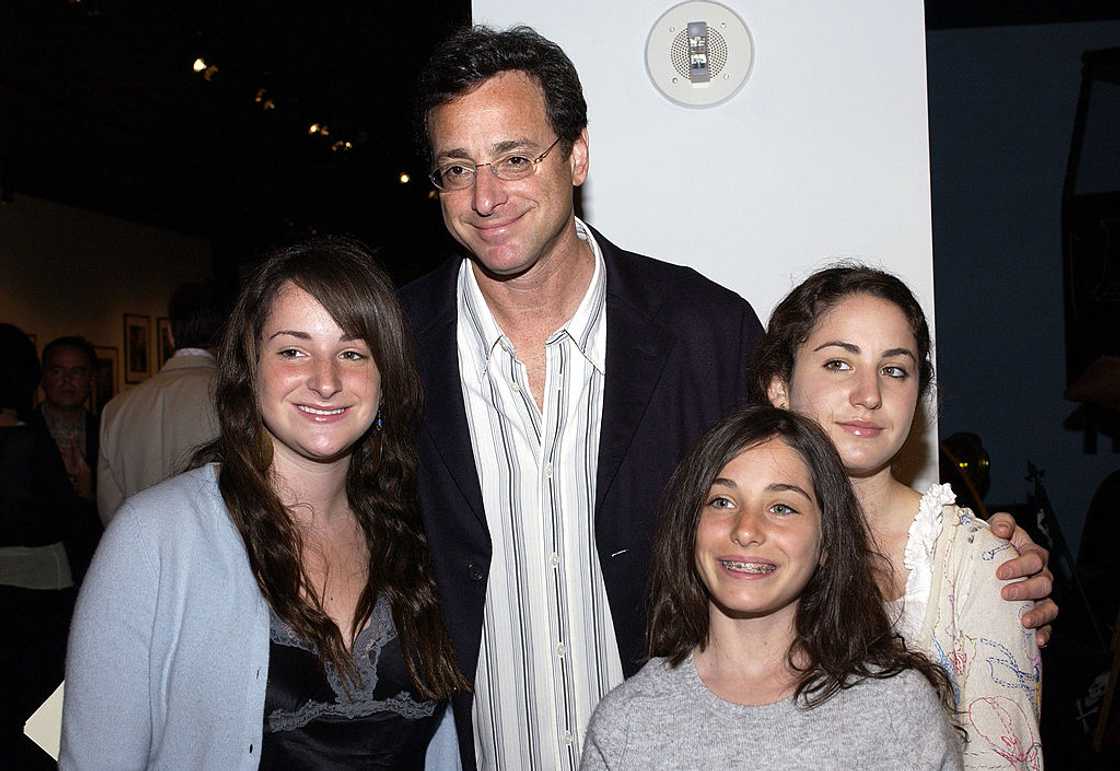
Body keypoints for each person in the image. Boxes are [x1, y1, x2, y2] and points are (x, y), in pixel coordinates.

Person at [404, 24, 1055, 770]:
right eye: (457, 169)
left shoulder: (702, 330)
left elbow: (804, 483)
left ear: (576, 155)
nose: (486, 195)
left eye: (515, 158)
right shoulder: (395, 346)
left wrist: (971, 566)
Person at [62, 237, 468, 769]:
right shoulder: (155, 536)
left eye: (352, 352)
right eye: (293, 350)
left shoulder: (419, 532)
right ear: (250, 367)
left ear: (385, 377)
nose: (326, 381)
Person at [752, 264, 1042, 768]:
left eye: (894, 369)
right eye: (839, 364)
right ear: (779, 386)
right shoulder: (736, 549)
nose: (869, 395)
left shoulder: (975, 565)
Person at [582, 406, 962, 768]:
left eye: (782, 507)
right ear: (689, 528)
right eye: (722, 501)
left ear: (827, 542)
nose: (746, 529)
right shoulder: (627, 724)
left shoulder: (897, 712)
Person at [0, 324, 85, 769]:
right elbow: (62, 518)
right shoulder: (28, 439)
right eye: (54, 371)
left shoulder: (107, 421)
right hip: (42, 590)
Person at [97, 280, 223, 523]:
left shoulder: (116, 409)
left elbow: (111, 513)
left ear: (168, 333)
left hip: (142, 551)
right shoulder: (240, 397)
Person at [34, 336, 99, 502]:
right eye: (57, 371)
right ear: (43, 378)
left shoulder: (107, 433)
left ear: (91, 380)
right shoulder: (22, 431)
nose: (67, 380)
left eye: (76, 372)